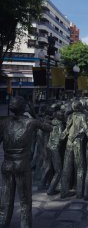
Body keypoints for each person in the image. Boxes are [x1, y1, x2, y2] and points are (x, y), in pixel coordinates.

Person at [0, 96, 52, 228]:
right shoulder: (31, 122)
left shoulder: (4, 122)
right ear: (24, 108)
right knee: (25, 201)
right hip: (22, 165)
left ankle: (3, 223)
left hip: (7, 163)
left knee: (5, 200)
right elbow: (49, 128)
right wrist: (34, 113)